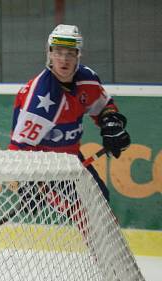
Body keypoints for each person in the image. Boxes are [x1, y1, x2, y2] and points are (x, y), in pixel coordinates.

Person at [8, 24, 131, 200]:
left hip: (72, 159)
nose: (64, 59)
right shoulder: (39, 97)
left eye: (70, 53)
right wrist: (24, 181)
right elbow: (19, 148)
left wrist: (111, 124)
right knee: (80, 210)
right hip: (44, 167)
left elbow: (104, 107)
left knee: (101, 200)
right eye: (58, 52)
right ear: (49, 53)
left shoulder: (88, 80)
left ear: (78, 55)